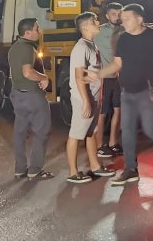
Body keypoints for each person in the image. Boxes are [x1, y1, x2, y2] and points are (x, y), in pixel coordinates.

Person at [86, 3, 153, 186]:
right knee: (127, 131)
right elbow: (117, 64)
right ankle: (131, 169)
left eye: (127, 18)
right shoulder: (123, 39)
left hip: (149, 91)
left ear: (139, 19)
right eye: (122, 19)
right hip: (127, 92)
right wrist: (98, 74)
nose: (123, 22)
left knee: (150, 129)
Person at [65, 12, 115, 183]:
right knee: (76, 134)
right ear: (85, 26)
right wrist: (86, 102)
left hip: (93, 97)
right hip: (83, 98)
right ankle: (73, 173)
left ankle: (95, 166)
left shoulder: (92, 45)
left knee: (91, 133)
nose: (98, 22)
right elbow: (79, 77)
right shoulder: (81, 48)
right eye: (94, 21)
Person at [7, 18, 54, 181]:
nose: (39, 31)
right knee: (41, 132)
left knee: (20, 133)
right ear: (27, 33)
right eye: (36, 29)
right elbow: (27, 72)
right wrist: (44, 77)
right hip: (32, 95)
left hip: (17, 94)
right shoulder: (27, 48)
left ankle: (20, 169)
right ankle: (35, 170)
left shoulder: (14, 47)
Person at [95, 3, 124, 159]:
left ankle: (113, 143)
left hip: (120, 77)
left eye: (119, 13)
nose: (117, 16)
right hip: (104, 78)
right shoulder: (99, 32)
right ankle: (99, 146)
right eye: (114, 14)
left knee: (118, 110)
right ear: (107, 16)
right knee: (103, 113)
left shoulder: (125, 30)